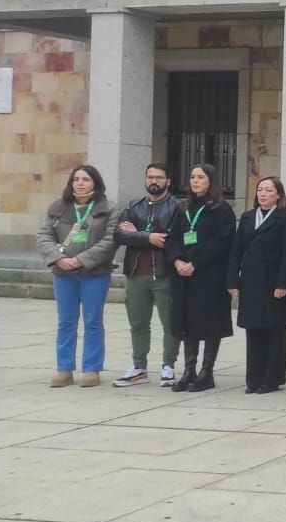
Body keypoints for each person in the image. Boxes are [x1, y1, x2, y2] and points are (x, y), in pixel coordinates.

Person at [38, 164, 119, 389]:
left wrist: (81, 259)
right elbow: (43, 235)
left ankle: (92, 369)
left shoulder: (108, 209)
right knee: (66, 322)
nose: (80, 183)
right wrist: (58, 258)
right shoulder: (59, 207)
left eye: (85, 179)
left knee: (93, 322)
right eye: (76, 179)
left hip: (95, 273)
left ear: (95, 182)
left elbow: (111, 240)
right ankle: (64, 369)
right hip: (63, 273)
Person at [166, 163, 236, 392]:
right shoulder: (183, 207)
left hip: (209, 275)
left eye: (200, 177)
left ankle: (207, 371)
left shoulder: (221, 209)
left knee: (209, 322)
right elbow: (173, 238)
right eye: (192, 177)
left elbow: (221, 242)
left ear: (211, 181)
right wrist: (178, 260)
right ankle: (189, 369)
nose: (195, 181)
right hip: (184, 275)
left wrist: (194, 263)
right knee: (187, 322)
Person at [112, 162, 182, 388]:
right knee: (138, 323)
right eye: (150, 177)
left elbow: (169, 239)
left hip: (164, 274)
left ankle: (168, 365)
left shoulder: (177, 207)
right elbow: (120, 235)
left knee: (169, 323)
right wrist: (148, 237)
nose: (154, 181)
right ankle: (139, 366)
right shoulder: (134, 206)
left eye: (159, 177)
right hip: (135, 274)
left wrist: (140, 235)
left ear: (168, 181)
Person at [227, 176, 286, 394]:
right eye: (260, 190)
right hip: (251, 280)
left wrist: (283, 282)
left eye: (268, 190)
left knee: (274, 330)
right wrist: (232, 280)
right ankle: (253, 378)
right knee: (254, 329)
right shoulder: (248, 217)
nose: (263, 194)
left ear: (278, 194)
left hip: (275, 279)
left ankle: (271, 378)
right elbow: (236, 251)